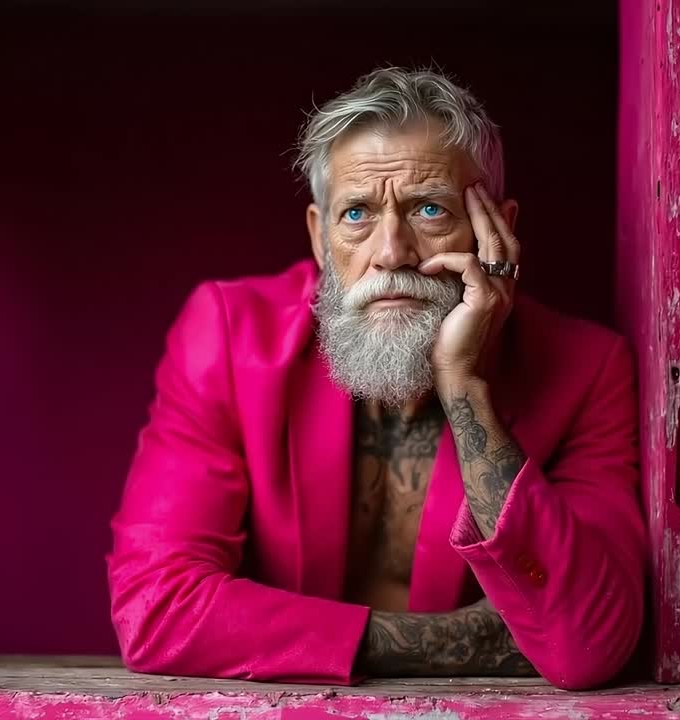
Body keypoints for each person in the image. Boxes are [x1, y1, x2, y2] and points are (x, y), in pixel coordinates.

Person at [106, 67, 645, 690]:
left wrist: (463, 385)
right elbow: (156, 608)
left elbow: (587, 643)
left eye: (430, 209)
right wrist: (470, 640)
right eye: (357, 213)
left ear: (497, 230)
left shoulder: (587, 370)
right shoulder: (229, 336)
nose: (391, 253)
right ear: (320, 237)